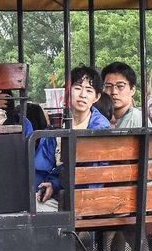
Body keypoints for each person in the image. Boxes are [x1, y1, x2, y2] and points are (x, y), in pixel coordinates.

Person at [34, 65, 110, 209]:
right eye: (77, 88)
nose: (82, 94)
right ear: (67, 92)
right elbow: (41, 165)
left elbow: (89, 174)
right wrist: (43, 187)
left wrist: (55, 185)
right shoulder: (57, 123)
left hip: (84, 197)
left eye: (89, 90)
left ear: (96, 97)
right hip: (59, 192)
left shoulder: (99, 127)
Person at [101, 61, 143, 128]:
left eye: (120, 86)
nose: (114, 92)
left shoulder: (135, 118)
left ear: (132, 90)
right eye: (108, 86)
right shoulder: (103, 119)